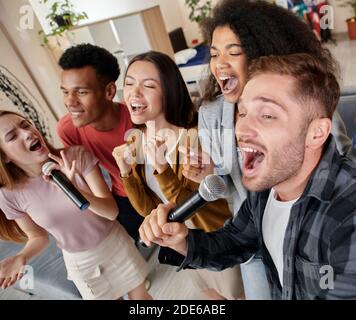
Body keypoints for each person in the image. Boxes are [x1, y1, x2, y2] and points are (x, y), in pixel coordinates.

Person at [140, 53, 356, 300]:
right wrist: (183, 241)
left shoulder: (347, 218)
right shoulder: (268, 184)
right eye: (242, 114)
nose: (241, 130)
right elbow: (237, 240)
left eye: (267, 115)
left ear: (316, 134)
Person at [180, 0, 352, 299]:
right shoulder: (265, 190)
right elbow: (236, 228)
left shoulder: (341, 221)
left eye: (233, 53)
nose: (240, 131)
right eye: (214, 53)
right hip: (257, 231)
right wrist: (183, 239)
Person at [112, 51, 244, 300]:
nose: (133, 93)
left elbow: (191, 206)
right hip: (182, 243)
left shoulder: (193, 138)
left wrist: (162, 169)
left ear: (169, 92)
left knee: (237, 295)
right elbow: (148, 210)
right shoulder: (137, 140)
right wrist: (126, 172)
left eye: (148, 85)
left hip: (214, 237)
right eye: (129, 83)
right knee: (211, 296)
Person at [0, 111, 151, 300]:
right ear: (4, 156)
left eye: (25, 125)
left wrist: (76, 191)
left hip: (116, 243)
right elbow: (37, 236)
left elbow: (111, 212)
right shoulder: (8, 195)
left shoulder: (77, 156)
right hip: (81, 263)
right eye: (12, 136)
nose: (27, 133)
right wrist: (21, 257)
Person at [56, 44, 144, 242]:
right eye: (65, 92)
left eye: (81, 92)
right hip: (125, 197)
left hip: (160, 189)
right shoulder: (67, 129)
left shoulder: (138, 118)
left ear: (109, 91)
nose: (70, 101)